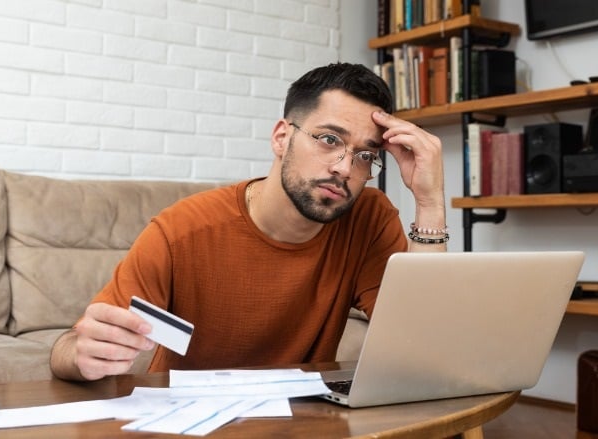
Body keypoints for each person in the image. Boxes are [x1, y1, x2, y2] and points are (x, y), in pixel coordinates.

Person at [50, 62, 446, 381]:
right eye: (329, 139)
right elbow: (68, 351)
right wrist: (83, 354)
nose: (345, 167)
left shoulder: (368, 218)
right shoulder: (181, 231)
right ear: (280, 137)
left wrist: (428, 201)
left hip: (309, 422)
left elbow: (421, 343)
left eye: (365, 155)